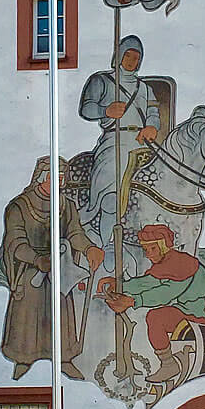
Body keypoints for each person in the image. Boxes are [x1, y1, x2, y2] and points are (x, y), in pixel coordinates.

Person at [0, 157, 105, 380]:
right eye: (56, 178)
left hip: (60, 266)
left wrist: (89, 249)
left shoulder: (66, 205)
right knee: (29, 313)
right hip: (30, 270)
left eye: (62, 178)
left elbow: (75, 233)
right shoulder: (19, 206)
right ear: (41, 178)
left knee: (61, 311)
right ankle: (23, 358)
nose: (61, 182)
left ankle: (64, 358)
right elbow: (15, 242)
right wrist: (38, 260)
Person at [103, 223, 205, 383]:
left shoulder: (182, 264)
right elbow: (147, 282)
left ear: (164, 246)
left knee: (156, 318)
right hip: (190, 310)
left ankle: (168, 365)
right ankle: (169, 364)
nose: (148, 255)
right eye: (146, 250)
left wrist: (132, 301)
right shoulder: (166, 264)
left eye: (152, 249)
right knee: (156, 318)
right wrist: (119, 285)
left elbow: (165, 293)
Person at [78, 36, 160, 263]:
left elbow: (153, 112)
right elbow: (87, 108)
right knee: (111, 188)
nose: (132, 61)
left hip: (142, 141)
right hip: (115, 139)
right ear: (119, 55)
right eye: (128, 55)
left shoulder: (144, 88)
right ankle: (105, 238)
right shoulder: (102, 81)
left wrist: (152, 127)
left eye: (137, 58)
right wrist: (106, 110)